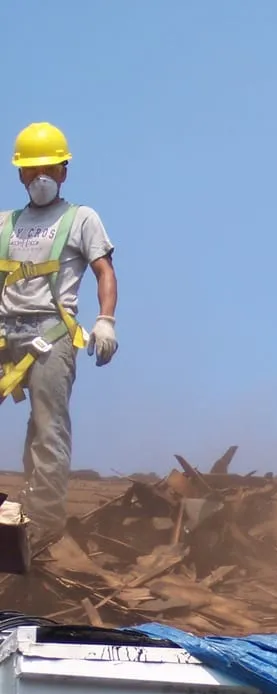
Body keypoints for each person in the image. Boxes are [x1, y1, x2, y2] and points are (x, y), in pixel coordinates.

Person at [0, 122, 119, 555]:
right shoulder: (5, 224)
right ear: (19, 175)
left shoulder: (81, 219)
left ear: (64, 171)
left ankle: (43, 525)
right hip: (4, 334)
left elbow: (105, 272)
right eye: (30, 170)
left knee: (47, 428)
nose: (39, 178)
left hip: (51, 335)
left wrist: (105, 320)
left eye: (47, 168)